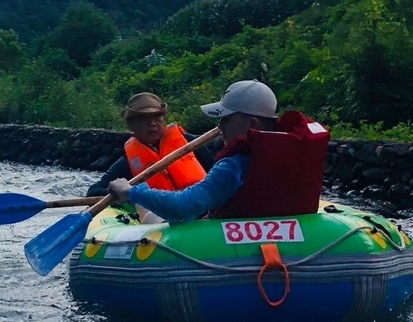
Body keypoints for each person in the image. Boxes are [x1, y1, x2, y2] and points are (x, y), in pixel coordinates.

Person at [107, 80, 329, 224]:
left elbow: (183, 206)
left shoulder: (233, 166)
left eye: (227, 119)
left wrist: (133, 193)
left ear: (252, 125)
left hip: (226, 251)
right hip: (301, 244)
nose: (220, 127)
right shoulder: (295, 151)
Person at [86, 92, 214, 200]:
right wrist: (120, 193)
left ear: (164, 119)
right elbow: (94, 191)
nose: (152, 123)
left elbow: (217, 171)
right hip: (164, 218)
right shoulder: (129, 162)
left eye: (157, 117)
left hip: (203, 207)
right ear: (131, 126)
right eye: (143, 119)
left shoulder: (189, 143)